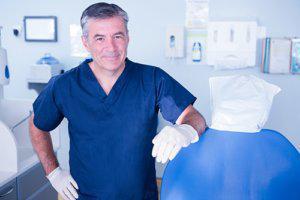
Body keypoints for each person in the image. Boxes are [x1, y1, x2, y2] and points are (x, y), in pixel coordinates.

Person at [29, 2, 206, 200]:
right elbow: (37, 125)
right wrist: (53, 172)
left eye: (117, 36)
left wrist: (186, 130)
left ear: (128, 38)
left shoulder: (153, 79)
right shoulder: (64, 85)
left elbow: (195, 118)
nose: (111, 47)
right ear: (85, 42)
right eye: (100, 38)